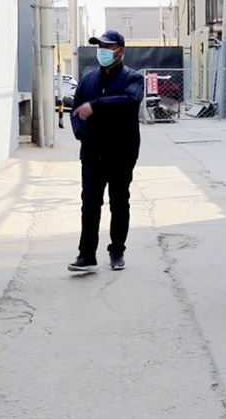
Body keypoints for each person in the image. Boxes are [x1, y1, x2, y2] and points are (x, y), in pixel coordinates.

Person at [68, 30, 145, 273]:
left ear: (121, 51)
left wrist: (96, 105)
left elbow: (130, 102)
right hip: (93, 153)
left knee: (119, 203)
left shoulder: (133, 78)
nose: (102, 51)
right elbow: (76, 110)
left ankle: (117, 251)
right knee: (90, 204)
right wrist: (83, 134)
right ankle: (86, 255)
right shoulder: (88, 79)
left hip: (121, 152)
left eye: (108, 47)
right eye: (100, 46)